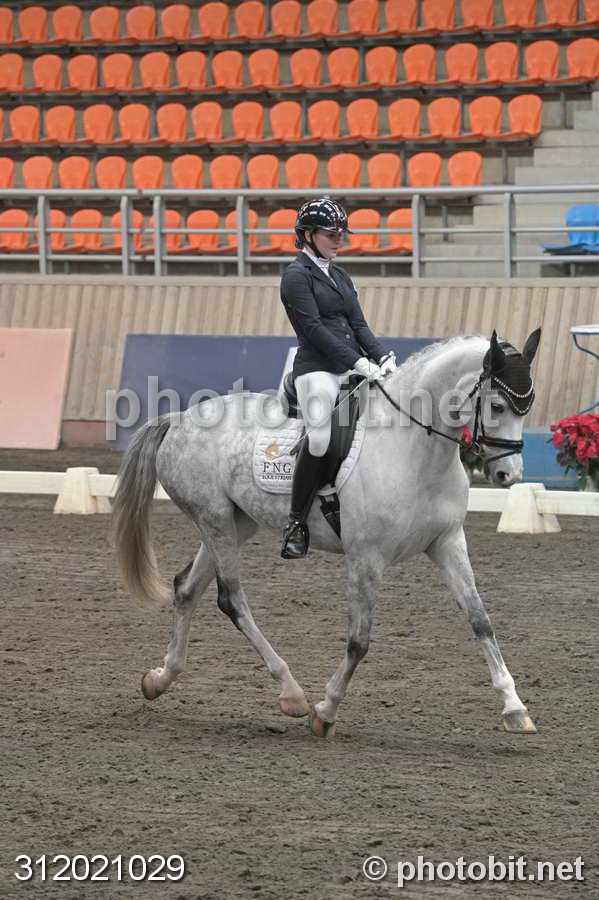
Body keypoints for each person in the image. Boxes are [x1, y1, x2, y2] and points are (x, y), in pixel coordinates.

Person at [279, 197, 397, 559]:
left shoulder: (340, 275)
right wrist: (359, 362)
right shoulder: (296, 276)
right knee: (320, 437)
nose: (338, 240)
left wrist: (382, 356)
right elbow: (313, 329)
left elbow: (358, 324)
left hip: (351, 365)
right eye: (331, 234)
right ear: (308, 235)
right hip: (317, 369)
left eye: (340, 234)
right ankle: (296, 521)